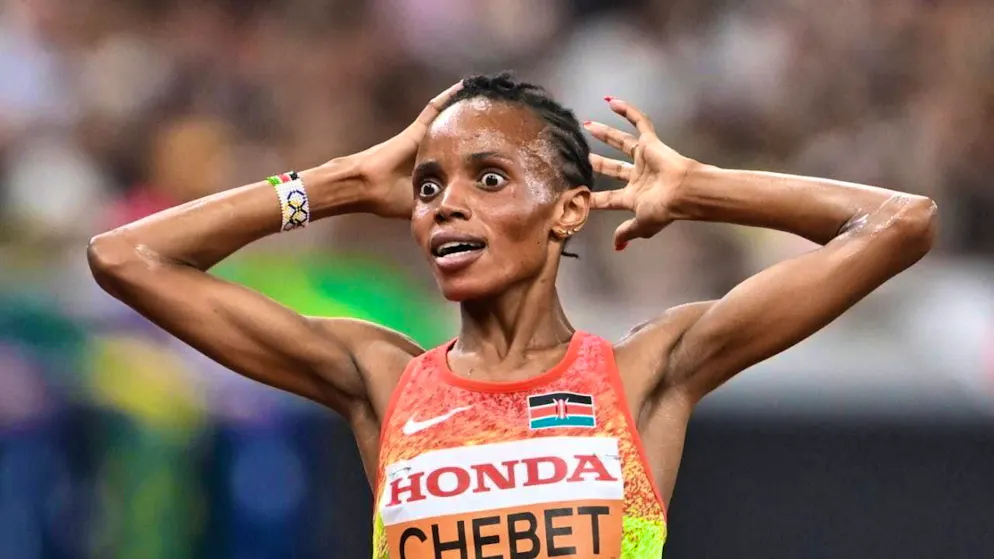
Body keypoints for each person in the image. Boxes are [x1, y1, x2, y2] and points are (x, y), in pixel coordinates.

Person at [87, 73, 937, 558]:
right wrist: (340, 183)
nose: (445, 205)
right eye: (428, 186)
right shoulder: (381, 380)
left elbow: (899, 224)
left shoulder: (644, 373)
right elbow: (127, 258)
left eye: (489, 178)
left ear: (570, 210)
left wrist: (701, 189)